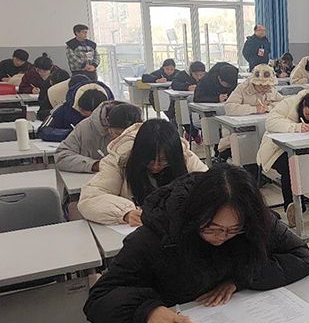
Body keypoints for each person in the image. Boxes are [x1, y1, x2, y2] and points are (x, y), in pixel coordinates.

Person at [83, 163, 309, 323]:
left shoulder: (255, 222)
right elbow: (99, 299)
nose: (222, 236)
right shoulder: (156, 235)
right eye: (212, 228)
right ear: (194, 216)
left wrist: (241, 279)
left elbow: (300, 256)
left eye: (234, 229)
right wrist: (147, 311)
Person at [78, 119, 208, 226]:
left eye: (164, 161)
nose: (156, 166)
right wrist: (125, 213)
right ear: (139, 154)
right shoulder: (119, 159)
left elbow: (210, 187)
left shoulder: (186, 158)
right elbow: (90, 198)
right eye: (149, 161)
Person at [256, 90, 309, 226]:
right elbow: (271, 122)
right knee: (291, 167)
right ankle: (294, 207)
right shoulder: (289, 103)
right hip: (277, 150)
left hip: (307, 149)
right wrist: (296, 127)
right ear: (303, 104)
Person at [55, 102, 142, 173]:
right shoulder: (85, 128)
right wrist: (95, 165)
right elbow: (61, 156)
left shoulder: (142, 130)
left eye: (129, 135)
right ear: (108, 128)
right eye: (117, 133)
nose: (122, 139)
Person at [218, 65, 284, 157]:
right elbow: (229, 107)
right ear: (254, 83)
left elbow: (283, 103)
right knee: (246, 151)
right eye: (261, 86)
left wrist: (268, 108)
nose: (264, 89)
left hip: (262, 128)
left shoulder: (270, 89)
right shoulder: (242, 88)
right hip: (240, 130)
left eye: (267, 86)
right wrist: (254, 109)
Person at [38, 80, 113, 143]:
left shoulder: (113, 110)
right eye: (85, 116)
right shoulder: (64, 108)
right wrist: (74, 133)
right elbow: (43, 130)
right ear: (79, 108)